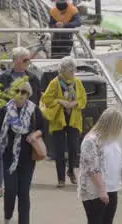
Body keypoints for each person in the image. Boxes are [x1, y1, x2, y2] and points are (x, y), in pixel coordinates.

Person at [0, 78, 46, 224]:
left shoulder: (34, 110)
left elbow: (43, 128)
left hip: (27, 157)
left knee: (24, 191)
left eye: (24, 92)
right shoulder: (5, 110)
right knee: (10, 190)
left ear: (28, 94)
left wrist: (35, 134)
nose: (21, 95)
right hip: (8, 156)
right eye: (17, 91)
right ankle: (8, 216)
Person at [40, 57, 87, 188]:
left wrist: (75, 103)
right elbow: (47, 99)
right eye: (70, 70)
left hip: (74, 119)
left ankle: (71, 171)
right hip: (58, 120)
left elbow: (83, 99)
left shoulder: (77, 82)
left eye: (74, 70)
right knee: (59, 150)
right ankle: (60, 178)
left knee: (73, 147)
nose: (73, 73)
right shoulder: (55, 83)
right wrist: (60, 102)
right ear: (63, 71)